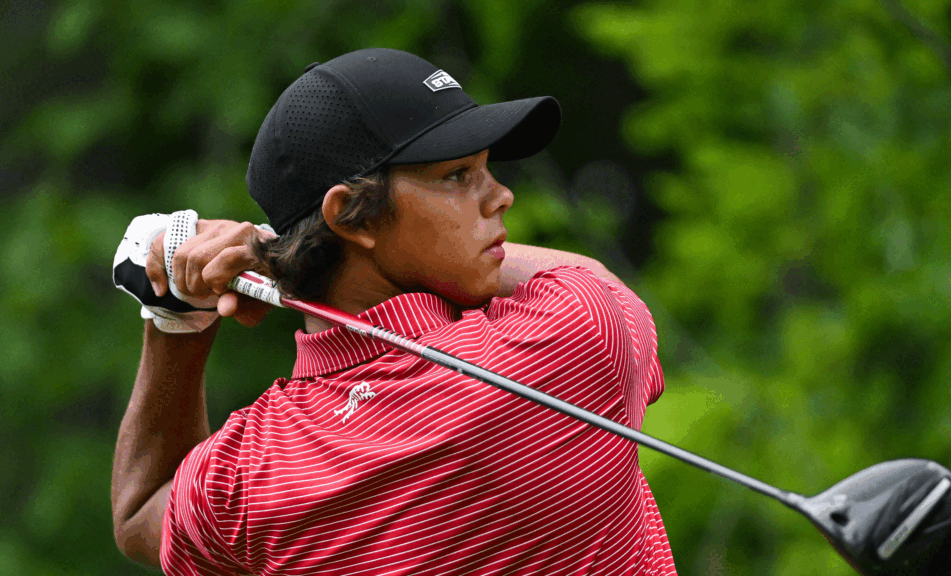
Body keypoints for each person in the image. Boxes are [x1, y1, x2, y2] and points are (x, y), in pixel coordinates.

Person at [110, 48, 677, 575]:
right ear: (353, 218)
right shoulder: (574, 337)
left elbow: (140, 513)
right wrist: (269, 249)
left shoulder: (259, 470)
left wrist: (179, 315)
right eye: (458, 176)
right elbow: (590, 279)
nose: (500, 195)